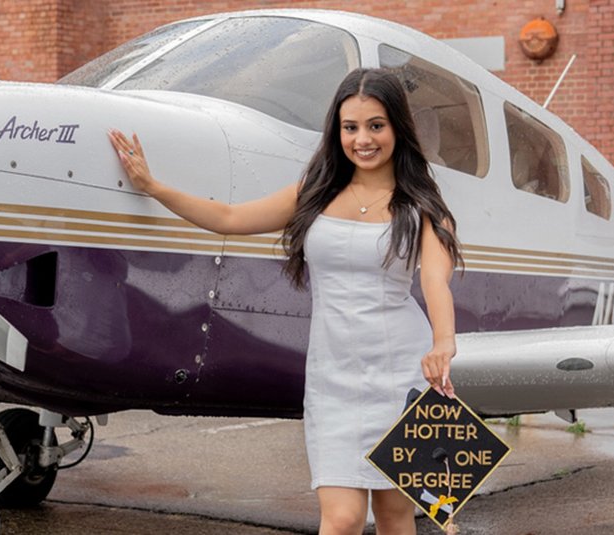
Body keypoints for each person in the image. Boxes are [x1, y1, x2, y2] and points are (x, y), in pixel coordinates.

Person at [109, 67, 462, 535]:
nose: (363, 139)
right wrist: (155, 188)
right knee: (342, 518)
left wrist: (443, 343)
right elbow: (229, 217)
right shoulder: (314, 194)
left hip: (402, 376)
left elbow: (436, 281)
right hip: (332, 379)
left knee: (397, 515)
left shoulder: (422, 208)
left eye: (376, 125)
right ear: (336, 132)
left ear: (398, 126)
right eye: (350, 127)